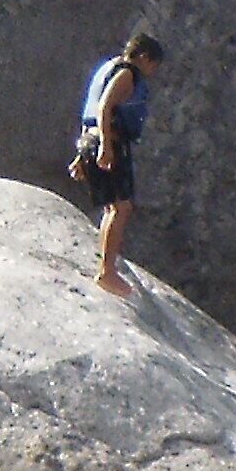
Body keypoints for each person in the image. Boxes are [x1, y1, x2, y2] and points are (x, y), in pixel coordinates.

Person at [69, 30, 164, 297]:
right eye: (153, 65)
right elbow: (104, 108)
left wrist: (81, 155)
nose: (152, 72)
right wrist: (106, 149)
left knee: (115, 207)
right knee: (120, 207)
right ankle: (106, 272)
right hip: (109, 141)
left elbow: (91, 114)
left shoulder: (110, 68)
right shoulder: (126, 74)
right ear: (144, 58)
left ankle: (106, 266)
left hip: (93, 139)